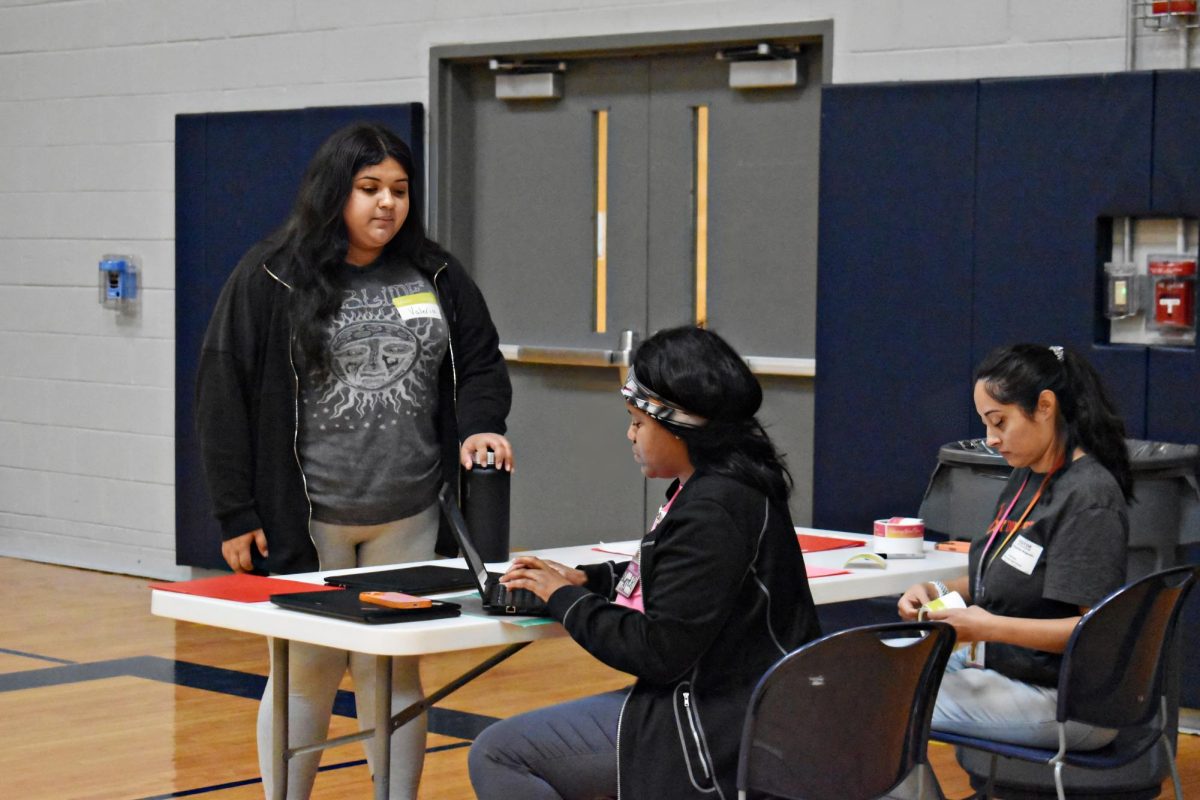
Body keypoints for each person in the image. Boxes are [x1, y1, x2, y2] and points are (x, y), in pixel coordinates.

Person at [195, 121, 513, 799]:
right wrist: (235, 510)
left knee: (395, 670)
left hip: (409, 509)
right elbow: (223, 391)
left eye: (398, 190)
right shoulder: (270, 273)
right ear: (334, 191)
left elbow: (480, 362)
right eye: (369, 188)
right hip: (310, 517)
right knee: (307, 669)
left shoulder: (437, 274)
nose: (385, 204)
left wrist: (481, 426)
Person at [468, 326, 822, 800]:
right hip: (746, 703)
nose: (630, 434)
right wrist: (587, 580)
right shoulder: (727, 484)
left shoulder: (713, 509)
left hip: (713, 722)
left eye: (638, 422)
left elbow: (658, 651)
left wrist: (565, 599)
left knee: (497, 753)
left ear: (679, 424)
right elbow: (684, 580)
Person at [898, 343, 1131, 753]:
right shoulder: (1027, 477)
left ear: (1045, 406)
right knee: (864, 666)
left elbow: (1093, 631)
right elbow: (1004, 576)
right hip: (1005, 668)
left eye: (999, 422)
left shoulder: (1088, 497)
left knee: (876, 703)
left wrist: (987, 627)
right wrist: (936, 589)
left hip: (1066, 702)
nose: (991, 439)